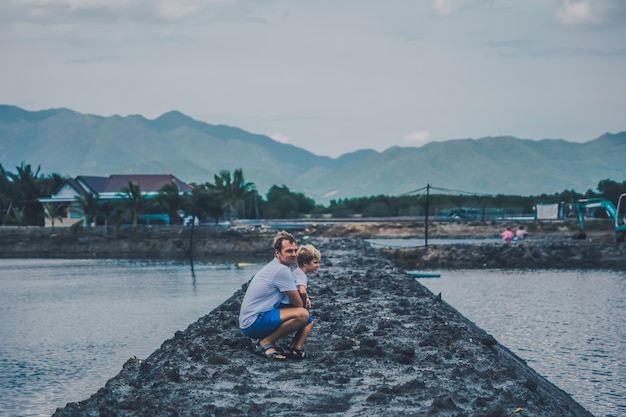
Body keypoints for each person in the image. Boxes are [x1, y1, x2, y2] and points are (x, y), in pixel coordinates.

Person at [238, 231, 313, 360]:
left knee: (308, 320)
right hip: (253, 322)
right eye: (289, 251)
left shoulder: (278, 266)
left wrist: (303, 298)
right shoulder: (281, 270)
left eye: (296, 250)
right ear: (277, 253)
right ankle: (265, 342)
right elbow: (298, 304)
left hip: (253, 319)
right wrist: (304, 298)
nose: (294, 254)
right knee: (302, 314)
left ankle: (293, 349)